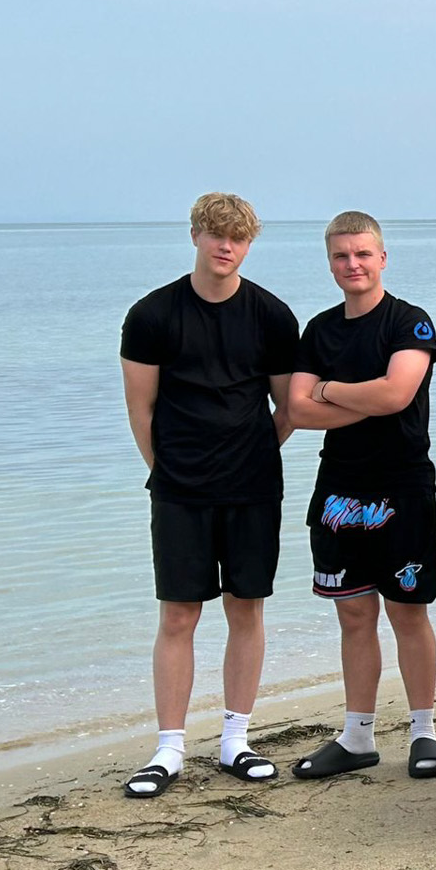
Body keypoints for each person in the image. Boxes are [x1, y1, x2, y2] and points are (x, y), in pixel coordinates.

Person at [118, 193, 299, 797]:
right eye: (217, 234)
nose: (227, 246)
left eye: (239, 238)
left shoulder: (272, 315)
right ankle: (169, 747)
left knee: (245, 608)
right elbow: (140, 409)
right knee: (178, 615)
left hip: (252, 487)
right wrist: (169, 470)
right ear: (195, 235)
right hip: (179, 490)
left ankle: (235, 741)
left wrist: (252, 454)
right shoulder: (151, 315)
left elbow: (288, 407)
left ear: (249, 244)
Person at [285, 212, 436, 780]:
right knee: (354, 614)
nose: (352, 265)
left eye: (362, 254)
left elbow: (398, 393)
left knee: (408, 610)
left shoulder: (410, 322)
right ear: (329, 262)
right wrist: (359, 397)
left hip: (402, 484)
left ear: (382, 258)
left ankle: (424, 731)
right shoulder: (319, 330)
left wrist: (328, 390)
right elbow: (296, 410)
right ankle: (357, 736)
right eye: (340, 256)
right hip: (339, 488)